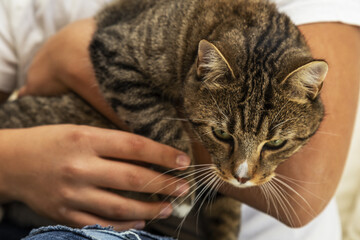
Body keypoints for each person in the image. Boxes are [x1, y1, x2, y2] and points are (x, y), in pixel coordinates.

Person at [0, 0, 359, 239]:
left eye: (275, 143)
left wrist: (66, 54)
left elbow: (302, 200)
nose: (243, 173)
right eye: (223, 135)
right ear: (201, 69)